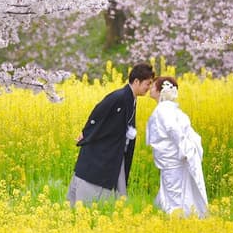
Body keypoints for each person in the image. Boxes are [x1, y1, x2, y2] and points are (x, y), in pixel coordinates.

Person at [67, 62, 156, 206]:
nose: (149, 87)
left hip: (115, 150)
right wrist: (86, 133)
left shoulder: (131, 99)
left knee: (114, 181)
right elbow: (98, 113)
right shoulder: (119, 96)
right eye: (148, 83)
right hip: (104, 150)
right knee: (95, 181)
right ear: (137, 81)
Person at [145, 75, 209, 217]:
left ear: (161, 90)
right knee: (176, 192)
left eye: (153, 86)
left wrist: (184, 148)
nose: (150, 88)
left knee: (173, 196)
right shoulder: (172, 109)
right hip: (172, 159)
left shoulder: (163, 110)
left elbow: (173, 130)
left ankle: (178, 223)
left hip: (171, 160)